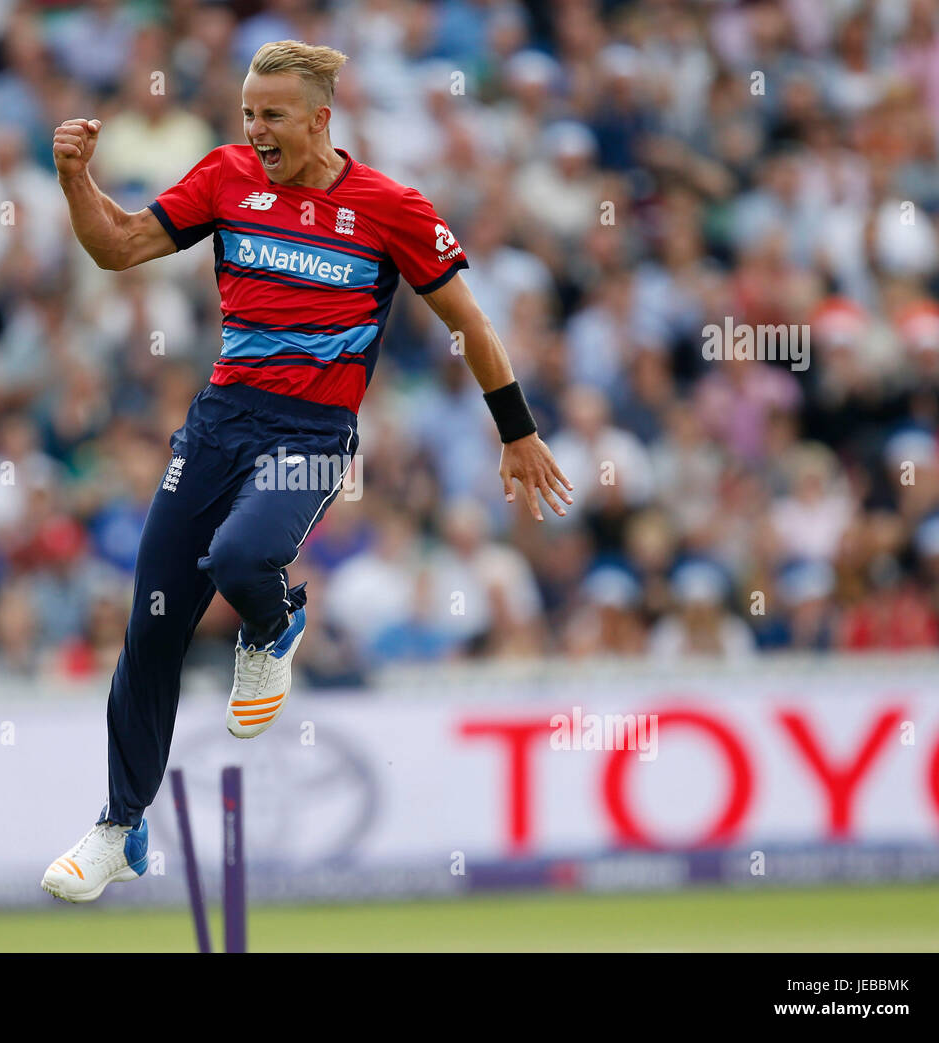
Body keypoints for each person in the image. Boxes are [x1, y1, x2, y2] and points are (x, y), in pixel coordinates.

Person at [41, 40, 572, 903]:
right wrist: (74, 179)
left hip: (313, 433)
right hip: (218, 426)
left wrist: (516, 432)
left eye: (273, 115)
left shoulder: (390, 207)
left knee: (245, 559)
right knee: (153, 624)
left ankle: (273, 624)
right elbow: (120, 246)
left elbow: (469, 323)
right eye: (248, 113)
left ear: (321, 118)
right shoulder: (223, 176)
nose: (256, 130)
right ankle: (118, 827)